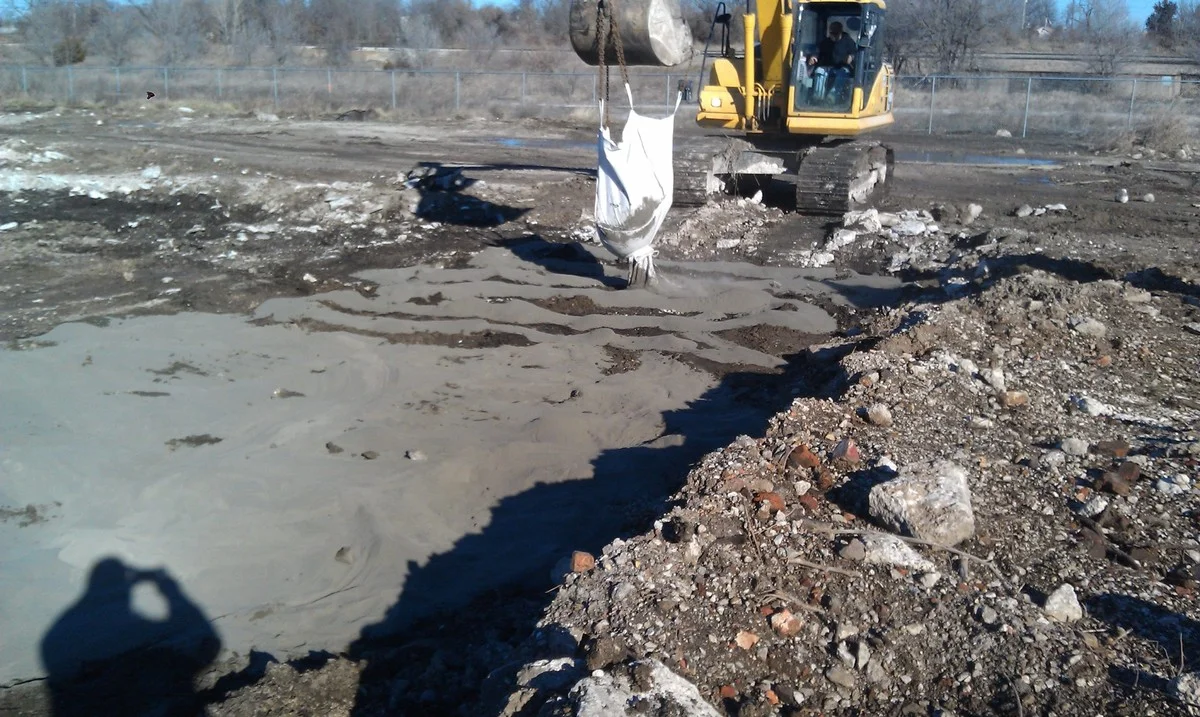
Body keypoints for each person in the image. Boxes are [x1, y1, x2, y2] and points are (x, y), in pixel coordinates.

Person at [807, 21, 857, 102]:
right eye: (831, 33)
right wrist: (814, 56)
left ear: (841, 31)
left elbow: (854, 52)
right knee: (819, 71)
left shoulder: (848, 41)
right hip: (828, 67)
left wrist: (851, 57)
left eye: (835, 33)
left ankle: (832, 97)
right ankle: (818, 97)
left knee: (842, 73)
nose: (833, 35)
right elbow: (818, 51)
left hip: (842, 67)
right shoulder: (826, 42)